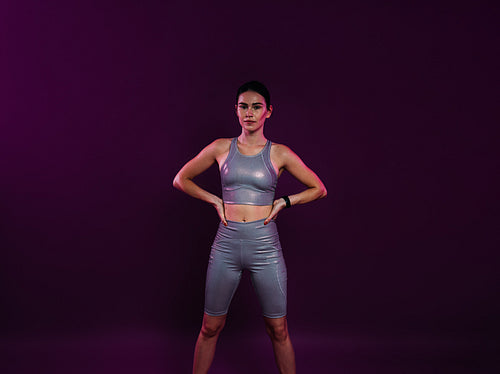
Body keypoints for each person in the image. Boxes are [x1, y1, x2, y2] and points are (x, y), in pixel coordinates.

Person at [173, 81, 327, 374]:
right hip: (226, 244)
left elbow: (318, 188)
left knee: (278, 329)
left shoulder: (279, 153)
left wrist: (284, 202)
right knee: (210, 326)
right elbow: (181, 179)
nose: (249, 113)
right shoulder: (221, 147)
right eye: (243, 106)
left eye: (257, 107)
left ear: (268, 112)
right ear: (236, 111)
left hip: (264, 246)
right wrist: (215, 200)